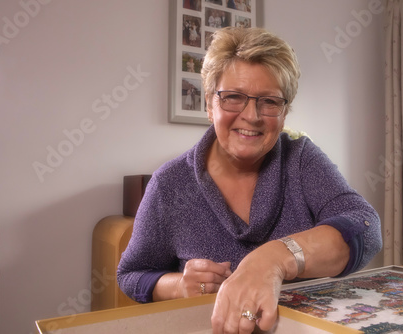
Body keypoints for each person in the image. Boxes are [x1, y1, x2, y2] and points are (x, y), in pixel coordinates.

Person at [117, 27, 382, 334]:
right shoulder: (169, 185)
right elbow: (131, 274)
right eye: (233, 97)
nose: (252, 115)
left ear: (284, 113)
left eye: (269, 102)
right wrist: (178, 286)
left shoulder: (301, 159)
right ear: (208, 104)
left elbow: (365, 225)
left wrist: (275, 259)